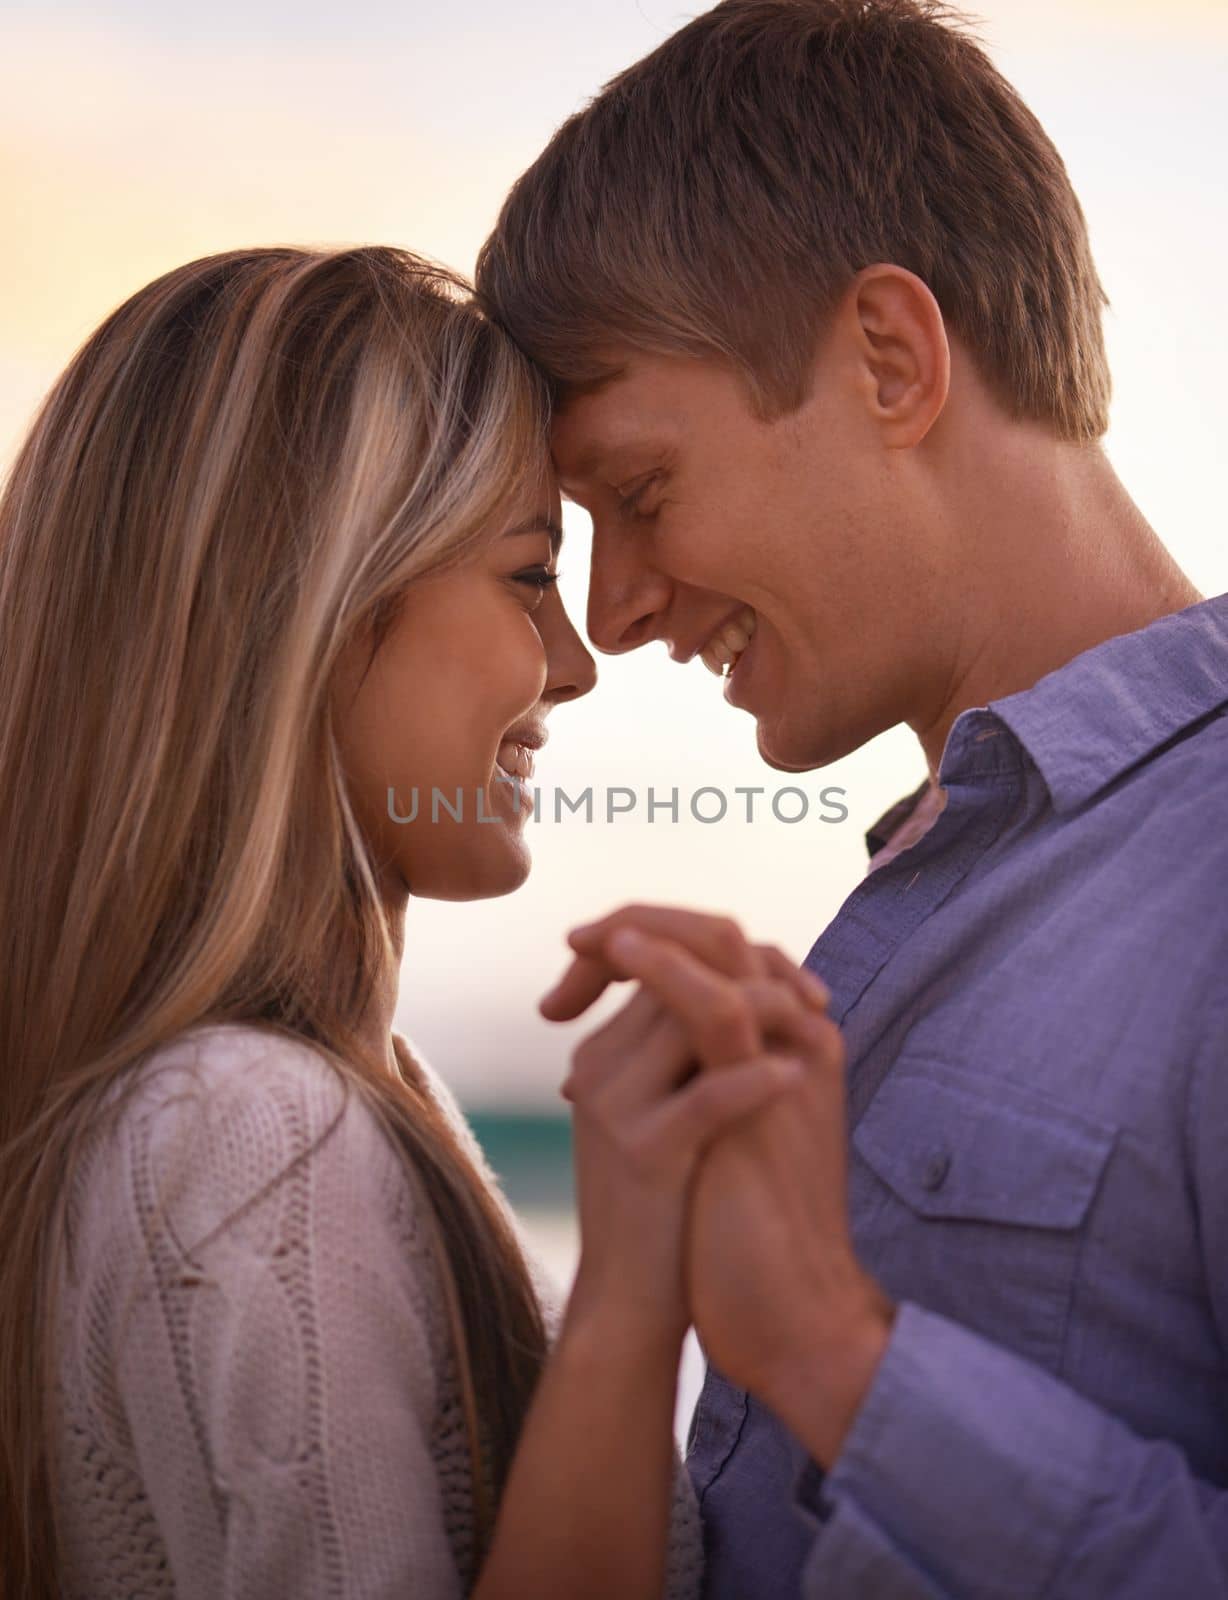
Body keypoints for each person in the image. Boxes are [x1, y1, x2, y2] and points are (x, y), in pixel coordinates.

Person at [475, 0, 1228, 1592]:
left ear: (891, 358)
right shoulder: (936, 887)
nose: (610, 619)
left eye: (644, 492)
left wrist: (831, 1347)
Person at [0, 244, 844, 1599]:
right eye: (527, 576)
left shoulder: (327, 1098)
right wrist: (636, 1291)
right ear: (307, 611)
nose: (574, 665)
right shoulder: (252, 1126)